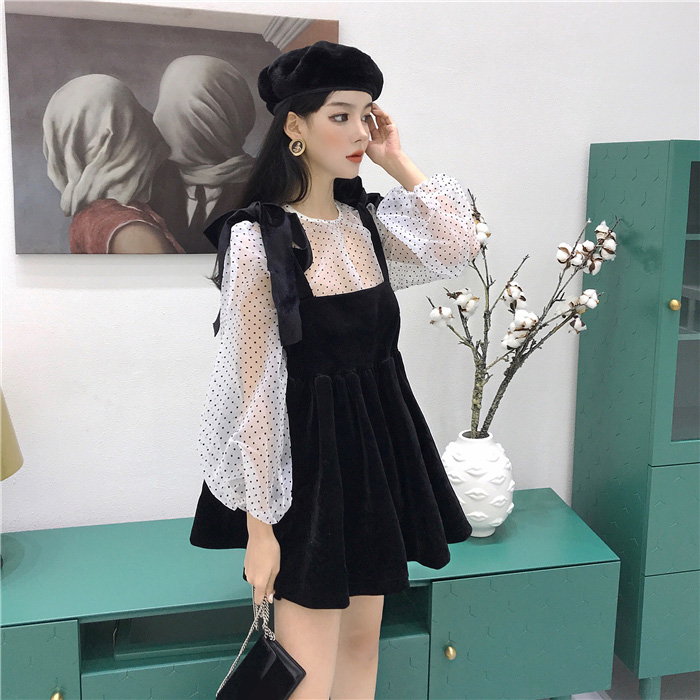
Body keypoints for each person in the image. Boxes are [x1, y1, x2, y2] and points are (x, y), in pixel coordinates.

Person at [189, 40, 480, 699]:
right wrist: (260, 529)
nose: (358, 132)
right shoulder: (256, 238)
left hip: (376, 458)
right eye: (340, 115)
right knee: (306, 672)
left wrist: (395, 159)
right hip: (307, 473)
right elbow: (253, 390)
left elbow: (459, 242)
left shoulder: (365, 224)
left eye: (366, 115)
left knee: (361, 647)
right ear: (294, 125)